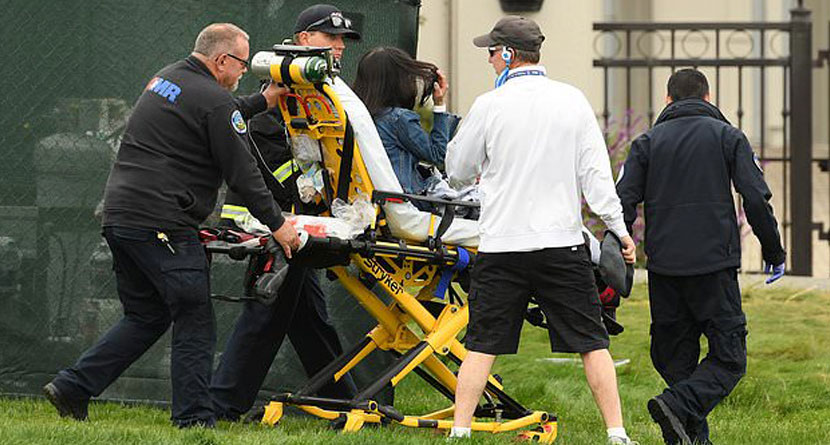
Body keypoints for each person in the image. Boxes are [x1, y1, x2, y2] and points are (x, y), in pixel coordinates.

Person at [42, 23, 299, 428]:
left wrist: (259, 102)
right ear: (221, 61)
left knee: (147, 316)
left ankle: (74, 386)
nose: (242, 73)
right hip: (163, 224)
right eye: (241, 65)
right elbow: (243, 173)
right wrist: (278, 225)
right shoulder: (214, 100)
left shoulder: (166, 78)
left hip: (121, 217)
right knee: (194, 315)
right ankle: (195, 420)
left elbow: (210, 112)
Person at [445, 16, 638, 445]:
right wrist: (620, 231)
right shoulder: (572, 101)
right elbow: (597, 178)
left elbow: (456, 171)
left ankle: (459, 432)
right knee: (592, 341)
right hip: (561, 244)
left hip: (502, 245)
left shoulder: (488, 105)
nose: (490, 60)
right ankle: (617, 433)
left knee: (482, 344)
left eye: (492, 52)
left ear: (509, 54)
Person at [209, 3, 364, 422]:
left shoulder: (318, 89)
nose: (338, 46)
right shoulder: (283, 90)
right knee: (268, 313)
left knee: (308, 318)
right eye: (329, 38)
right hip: (275, 222)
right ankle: (221, 407)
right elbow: (265, 161)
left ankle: (342, 402)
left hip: (297, 220)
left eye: (342, 40)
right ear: (302, 41)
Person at [616, 69, 786, 445]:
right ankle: (678, 407)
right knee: (729, 358)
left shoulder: (646, 143)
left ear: (668, 100)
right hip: (714, 267)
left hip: (664, 269)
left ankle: (690, 433)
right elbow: (755, 198)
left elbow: (621, 201)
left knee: (675, 360)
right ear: (708, 98)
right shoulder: (728, 137)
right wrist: (773, 251)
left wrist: (622, 245)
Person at [352, 46, 457, 211]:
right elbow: (438, 155)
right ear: (398, 82)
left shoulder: (356, 116)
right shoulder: (398, 119)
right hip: (406, 201)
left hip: (369, 200)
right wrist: (439, 105)